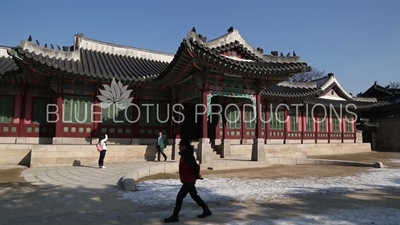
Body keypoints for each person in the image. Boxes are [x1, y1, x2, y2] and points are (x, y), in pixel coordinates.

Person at [164, 139, 212, 223]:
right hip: (188, 179)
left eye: (181, 146)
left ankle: (175, 216)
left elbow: (194, 167)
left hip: (189, 180)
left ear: (185, 147)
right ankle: (206, 210)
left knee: (180, 197)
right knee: (194, 196)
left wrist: (196, 175)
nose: (179, 147)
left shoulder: (188, 156)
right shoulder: (185, 155)